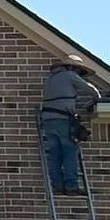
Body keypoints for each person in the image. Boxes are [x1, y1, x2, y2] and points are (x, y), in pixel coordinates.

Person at [39, 55, 101, 196]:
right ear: (72, 67)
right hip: (63, 120)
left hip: (48, 122)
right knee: (69, 152)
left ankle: (57, 186)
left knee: (54, 154)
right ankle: (72, 186)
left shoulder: (50, 80)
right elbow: (91, 90)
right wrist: (98, 100)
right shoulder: (69, 75)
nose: (78, 74)